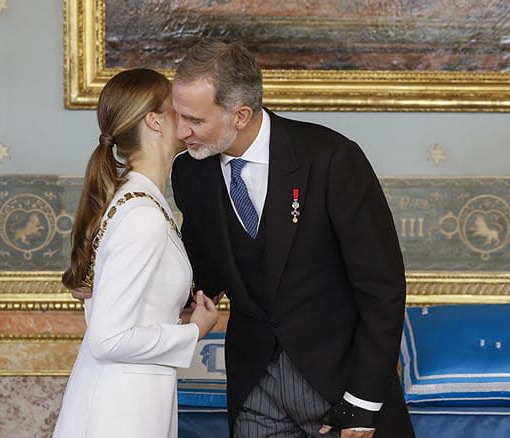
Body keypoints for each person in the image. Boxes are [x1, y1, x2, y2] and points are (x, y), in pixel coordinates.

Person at [170, 40, 415, 438]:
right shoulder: (191, 173)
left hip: (340, 386)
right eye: (177, 116)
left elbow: (381, 286)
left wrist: (365, 400)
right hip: (255, 390)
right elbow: (203, 271)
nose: (181, 132)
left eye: (194, 120)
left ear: (240, 115)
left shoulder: (331, 157)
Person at [53, 68, 219, 438]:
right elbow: (108, 338)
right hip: (121, 411)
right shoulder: (142, 215)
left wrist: (174, 309)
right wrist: (192, 331)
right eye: (177, 108)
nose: (187, 116)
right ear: (154, 121)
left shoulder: (138, 201)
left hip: (132, 399)